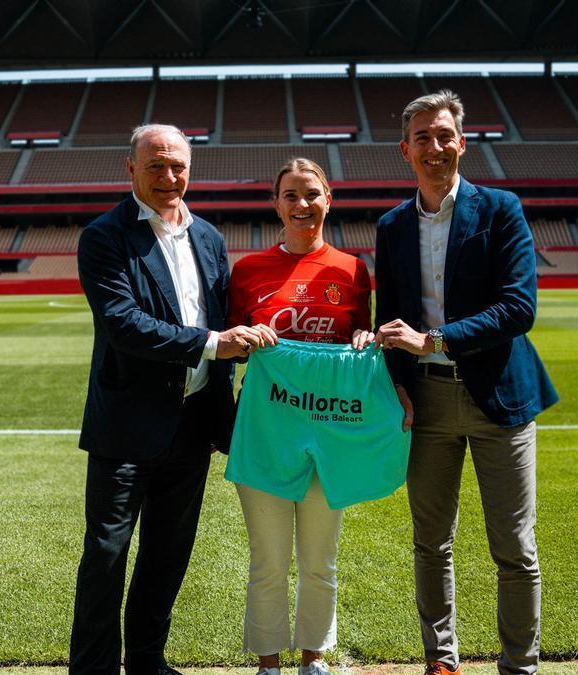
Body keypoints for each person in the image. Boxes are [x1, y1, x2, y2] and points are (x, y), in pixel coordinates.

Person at [71, 123, 270, 675]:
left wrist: (265, 341)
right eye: (156, 164)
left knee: (167, 553)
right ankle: (92, 670)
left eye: (178, 165)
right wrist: (214, 343)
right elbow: (124, 325)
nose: (169, 176)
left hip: (193, 421)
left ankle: (147, 662)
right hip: (128, 424)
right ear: (130, 168)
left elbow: (223, 318)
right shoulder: (105, 237)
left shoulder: (208, 237)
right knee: (107, 555)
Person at [373, 91, 559, 675]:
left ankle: (519, 667)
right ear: (405, 151)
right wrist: (400, 382)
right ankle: (441, 662)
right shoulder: (392, 225)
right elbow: (395, 312)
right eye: (422, 137)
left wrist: (435, 340)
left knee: (514, 548)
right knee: (431, 542)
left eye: (444, 134)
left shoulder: (501, 208)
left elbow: (519, 307)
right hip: (424, 402)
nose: (435, 146)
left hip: (499, 394)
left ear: (462, 141)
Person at [224, 159, 374, 675]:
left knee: (319, 560)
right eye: (291, 195)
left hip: (329, 433)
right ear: (276, 203)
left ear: (329, 198)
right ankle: (268, 665)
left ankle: (314, 660)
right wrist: (246, 340)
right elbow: (229, 349)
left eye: (312, 193)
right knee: (267, 561)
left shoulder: (354, 271)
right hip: (265, 430)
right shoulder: (246, 271)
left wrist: (364, 339)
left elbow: (364, 349)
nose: (302, 205)